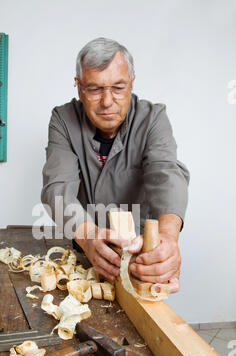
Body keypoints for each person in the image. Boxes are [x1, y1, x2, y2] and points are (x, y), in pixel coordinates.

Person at [41, 38, 190, 292]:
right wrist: (89, 238)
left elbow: (166, 175)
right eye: (95, 89)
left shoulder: (153, 118)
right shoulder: (63, 120)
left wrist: (169, 237)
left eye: (119, 87)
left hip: (141, 257)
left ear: (132, 82)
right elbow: (58, 189)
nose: (107, 101)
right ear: (79, 88)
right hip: (85, 251)